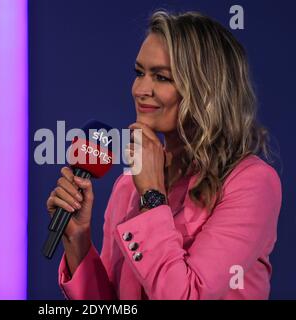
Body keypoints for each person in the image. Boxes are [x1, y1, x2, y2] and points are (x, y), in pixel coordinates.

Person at [46, 10, 282, 300]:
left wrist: (153, 198)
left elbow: (186, 295)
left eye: (161, 77)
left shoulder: (252, 183)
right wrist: (78, 238)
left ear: (204, 90)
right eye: (139, 73)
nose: (141, 90)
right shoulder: (127, 186)